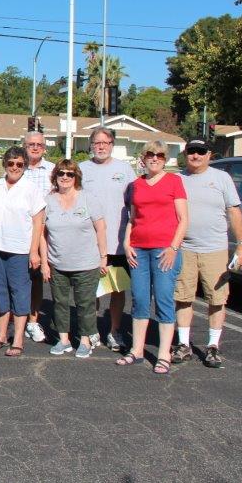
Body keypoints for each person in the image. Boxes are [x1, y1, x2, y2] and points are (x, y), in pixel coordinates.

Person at [173, 139, 242, 368]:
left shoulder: (221, 178)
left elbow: (234, 212)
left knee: (216, 299)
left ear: (209, 155)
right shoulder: (177, 179)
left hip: (214, 248)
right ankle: (183, 344)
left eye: (200, 152)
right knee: (183, 297)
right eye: (191, 151)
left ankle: (213, 346)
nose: (195, 155)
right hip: (185, 247)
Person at [118, 140, 188, 374]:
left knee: (164, 299)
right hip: (139, 250)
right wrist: (127, 243)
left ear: (165, 159)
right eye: (150, 154)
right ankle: (137, 350)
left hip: (164, 251)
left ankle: (164, 354)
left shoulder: (174, 181)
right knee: (139, 298)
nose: (154, 158)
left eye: (159, 155)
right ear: (143, 158)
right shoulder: (136, 184)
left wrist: (173, 248)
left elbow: (183, 219)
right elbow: (133, 217)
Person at [41, 160, 109, 359]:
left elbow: (101, 228)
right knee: (60, 303)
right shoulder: (48, 200)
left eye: (70, 174)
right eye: (61, 173)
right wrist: (45, 262)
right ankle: (64, 340)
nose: (65, 177)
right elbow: (42, 235)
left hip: (86, 263)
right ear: (55, 176)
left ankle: (85, 340)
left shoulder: (88, 199)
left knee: (85, 303)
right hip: (58, 263)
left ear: (76, 177)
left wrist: (103, 257)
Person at [0, 146, 46, 357]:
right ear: (5, 164)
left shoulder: (30, 188)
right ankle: (1, 335)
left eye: (20, 164)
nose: (15, 167)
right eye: (11, 163)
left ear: (25, 166)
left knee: (20, 293)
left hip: (20, 250)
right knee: (1, 292)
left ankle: (18, 339)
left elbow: (39, 222)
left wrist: (34, 251)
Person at [79, 127, 136, 352]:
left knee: (116, 289)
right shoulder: (82, 169)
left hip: (117, 243)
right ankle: (91, 330)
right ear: (91, 145)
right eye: (97, 142)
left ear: (112, 145)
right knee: (90, 290)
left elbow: (134, 204)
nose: (101, 146)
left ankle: (114, 331)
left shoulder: (124, 169)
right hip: (89, 244)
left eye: (106, 142)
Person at [21, 130, 54, 344]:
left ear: (44, 147)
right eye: (31, 144)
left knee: (37, 279)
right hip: (18, 232)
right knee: (16, 280)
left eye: (39, 145)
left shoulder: (52, 170)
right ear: (24, 146)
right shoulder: (16, 167)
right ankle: (17, 321)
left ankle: (33, 321)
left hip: (44, 233)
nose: (35, 148)